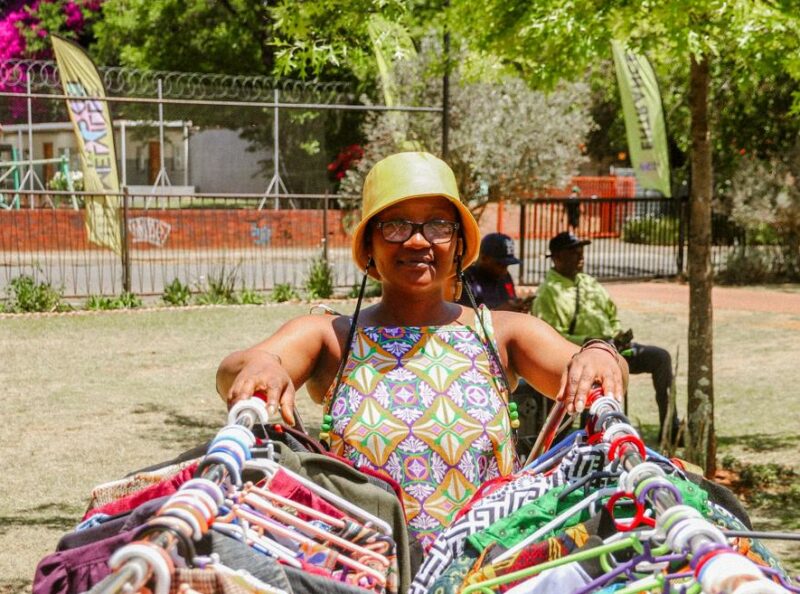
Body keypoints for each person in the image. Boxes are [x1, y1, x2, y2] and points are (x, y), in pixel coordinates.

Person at [216, 152, 627, 551]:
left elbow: (601, 373)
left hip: (484, 572)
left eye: (438, 225)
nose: (417, 240)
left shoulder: (502, 334)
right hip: (368, 572)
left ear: (460, 243)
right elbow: (235, 371)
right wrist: (263, 365)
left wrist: (599, 354)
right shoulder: (331, 337)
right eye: (395, 225)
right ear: (369, 246)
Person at [532, 231, 680, 443]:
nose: (580, 255)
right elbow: (551, 336)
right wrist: (588, 341)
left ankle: (670, 429)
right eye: (574, 252)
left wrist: (618, 334)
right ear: (557, 257)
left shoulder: (589, 282)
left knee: (660, 357)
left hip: (612, 347)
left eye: (581, 250)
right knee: (603, 376)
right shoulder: (548, 292)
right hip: (580, 355)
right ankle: (593, 439)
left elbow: (611, 314)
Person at [457, 232, 533, 311]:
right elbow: (463, 317)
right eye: (500, 265)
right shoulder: (466, 280)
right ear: (484, 258)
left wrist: (517, 305)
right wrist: (496, 313)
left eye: (507, 266)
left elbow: (510, 299)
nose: (504, 271)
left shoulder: (505, 277)